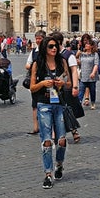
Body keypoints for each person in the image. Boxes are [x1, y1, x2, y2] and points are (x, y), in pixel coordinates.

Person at [30, 35, 72, 189]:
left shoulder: (62, 62)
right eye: (51, 46)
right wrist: (42, 83)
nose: (54, 48)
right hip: (44, 105)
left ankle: (59, 164)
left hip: (59, 104)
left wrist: (63, 83)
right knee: (47, 140)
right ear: (44, 49)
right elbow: (32, 87)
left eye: (56, 46)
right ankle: (48, 173)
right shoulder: (37, 64)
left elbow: (68, 83)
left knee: (61, 140)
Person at [25, 30, 46, 135]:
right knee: (35, 105)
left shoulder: (49, 50)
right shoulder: (34, 52)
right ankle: (36, 127)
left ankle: (48, 128)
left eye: (39, 39)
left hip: (47, 81)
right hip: (36, 81)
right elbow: (27, 65)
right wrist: (35, 65)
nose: (37, 41)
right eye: (36, 38)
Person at [77, 38, 100, 110]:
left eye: (88, 44)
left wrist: (93, 72)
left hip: (91, 76)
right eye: (86, 44)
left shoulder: (95, 54)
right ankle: (79, 104)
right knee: (81, 91)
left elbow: (96, 64)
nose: (86, 45)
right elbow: (80, 63)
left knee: (92, 91)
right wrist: (77, 59)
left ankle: (93, 103)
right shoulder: (82, 54)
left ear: (91, 46)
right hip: (83, 75)